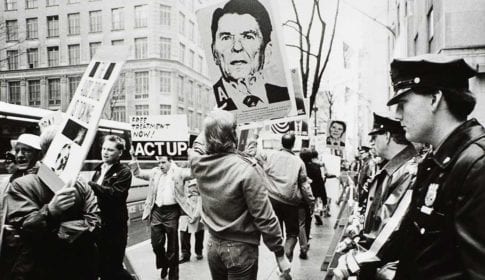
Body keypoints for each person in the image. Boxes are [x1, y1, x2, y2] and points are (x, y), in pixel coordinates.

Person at [375, 55, 483, 279]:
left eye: (403, 104)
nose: (397, 115)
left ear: (435, 99)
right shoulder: (440, 160)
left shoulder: (476, 165)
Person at [188, 109, 291, 280]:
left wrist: (213, 118)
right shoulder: (247, 169)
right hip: (241, 250)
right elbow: (264, 217)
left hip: (213, 246)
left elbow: (197, 146)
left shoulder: (198, 163)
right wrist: (279, 253)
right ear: (233, 135)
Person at [3, 127, 100, 280]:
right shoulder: (22, 184)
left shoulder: (81, 185)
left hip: (75, 267)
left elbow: (95, 222)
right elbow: (25, 228)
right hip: (45, 269)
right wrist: (51, 210)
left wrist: (57, 228)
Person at [333, 113, 418, 280]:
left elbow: (390, 227)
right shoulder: (394, 168)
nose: (371, 142)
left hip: (385, 267)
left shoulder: (409, 171)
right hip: (376, 264)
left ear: (387, 136)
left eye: (375, 136)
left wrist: (350, 264)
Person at [210, 0, 290, 110]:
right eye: (226, 37)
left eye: (248, 36)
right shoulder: (209, 105)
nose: (237, 47)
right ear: (215, 53)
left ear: (267, 51)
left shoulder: (288, 99)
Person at [129, 155, 191, 280]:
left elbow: (195, 174)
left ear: (170, 161)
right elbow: (138, 173)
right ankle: (164, 264)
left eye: (163, 162)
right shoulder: (154, 172)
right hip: (157, 211)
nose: (160, 165)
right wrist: (134, 158)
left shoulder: (179, 172)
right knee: (156, 244)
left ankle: (174, 276)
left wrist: (195, 158)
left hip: (172, 211)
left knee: (172, 246)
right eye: (159, 162)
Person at [258, 133, 314, 262]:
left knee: (276, 232)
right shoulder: (299, 162)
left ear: (281, 143)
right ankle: (287, 253)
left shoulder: (270, 155)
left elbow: (257, 158)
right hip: (290, 202)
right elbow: (304, 186)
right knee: (292, 234)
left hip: (272, 199)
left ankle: (280, 257)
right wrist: (311, 202)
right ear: (294, 144)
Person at [88, 135, 133, 280]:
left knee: (114, 267)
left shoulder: (124, 172)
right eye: (104, 148)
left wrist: (91, 185)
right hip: (99, 224)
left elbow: (116, 194)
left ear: (119, 153)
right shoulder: (98, 169)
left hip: (115, 226)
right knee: (100, 265)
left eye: (110, 150)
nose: (105, 152)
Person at [178, 179, 205, 264]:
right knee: (183, 232)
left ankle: (199, 251)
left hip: (196, 207)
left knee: (199, 232)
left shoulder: (198, 178)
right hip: (185, 209)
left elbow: (201, 198)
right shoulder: (179, 178)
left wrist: (196, 214)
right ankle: (185, 254)